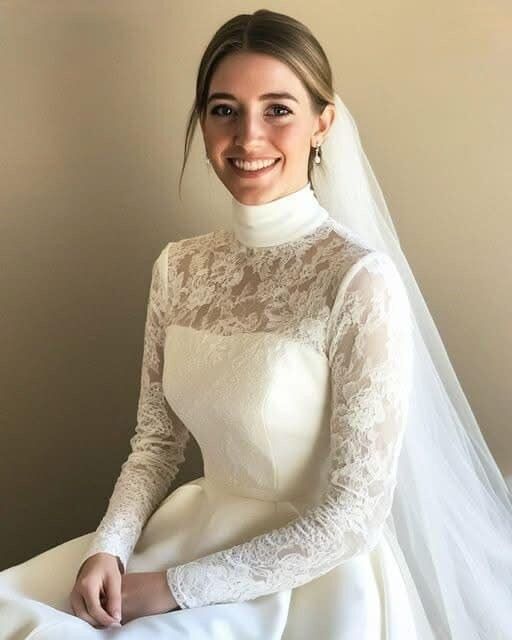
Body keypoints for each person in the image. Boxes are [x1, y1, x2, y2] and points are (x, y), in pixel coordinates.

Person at [1, 9, 511, 640]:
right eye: (225, 110)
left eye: (278, 110)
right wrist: (108, 546)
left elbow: (355, 514)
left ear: (322, 123)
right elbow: (157, 444)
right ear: (203, 122)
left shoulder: (358, 279)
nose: (248, 137)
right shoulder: (178, 268)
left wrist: (171, 590)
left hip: (307, 576)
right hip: (191, 532)